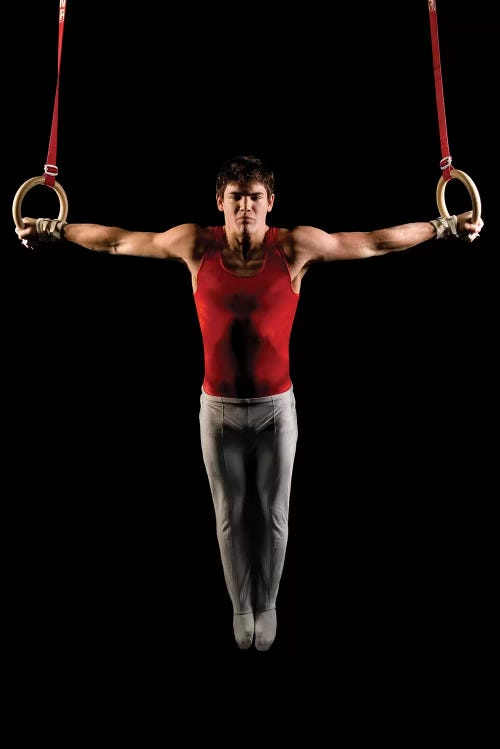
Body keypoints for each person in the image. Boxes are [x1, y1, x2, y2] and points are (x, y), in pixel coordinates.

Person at [15, 154, 483, 651]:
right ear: (220, 202)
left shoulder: (295, 247)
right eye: (236, 198)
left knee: (274, 512)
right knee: (230, 512)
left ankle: (269, 601)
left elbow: (371, 242)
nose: (245, 208)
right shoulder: (195, 244)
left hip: (277, 410)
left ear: (269, 203)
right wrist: (49, 227)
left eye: (254, 198)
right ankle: (242, 605)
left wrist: (444, 226)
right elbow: (117, 241)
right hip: (216, 412)